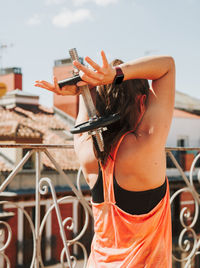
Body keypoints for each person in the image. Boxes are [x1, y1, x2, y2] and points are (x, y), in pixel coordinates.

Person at [35, 50, 175, 267]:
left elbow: (87, 112)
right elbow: (167, 66)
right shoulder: (144, 145)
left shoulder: (85, 146)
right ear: (142, 101)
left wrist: (88, 85)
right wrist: (115, 74)